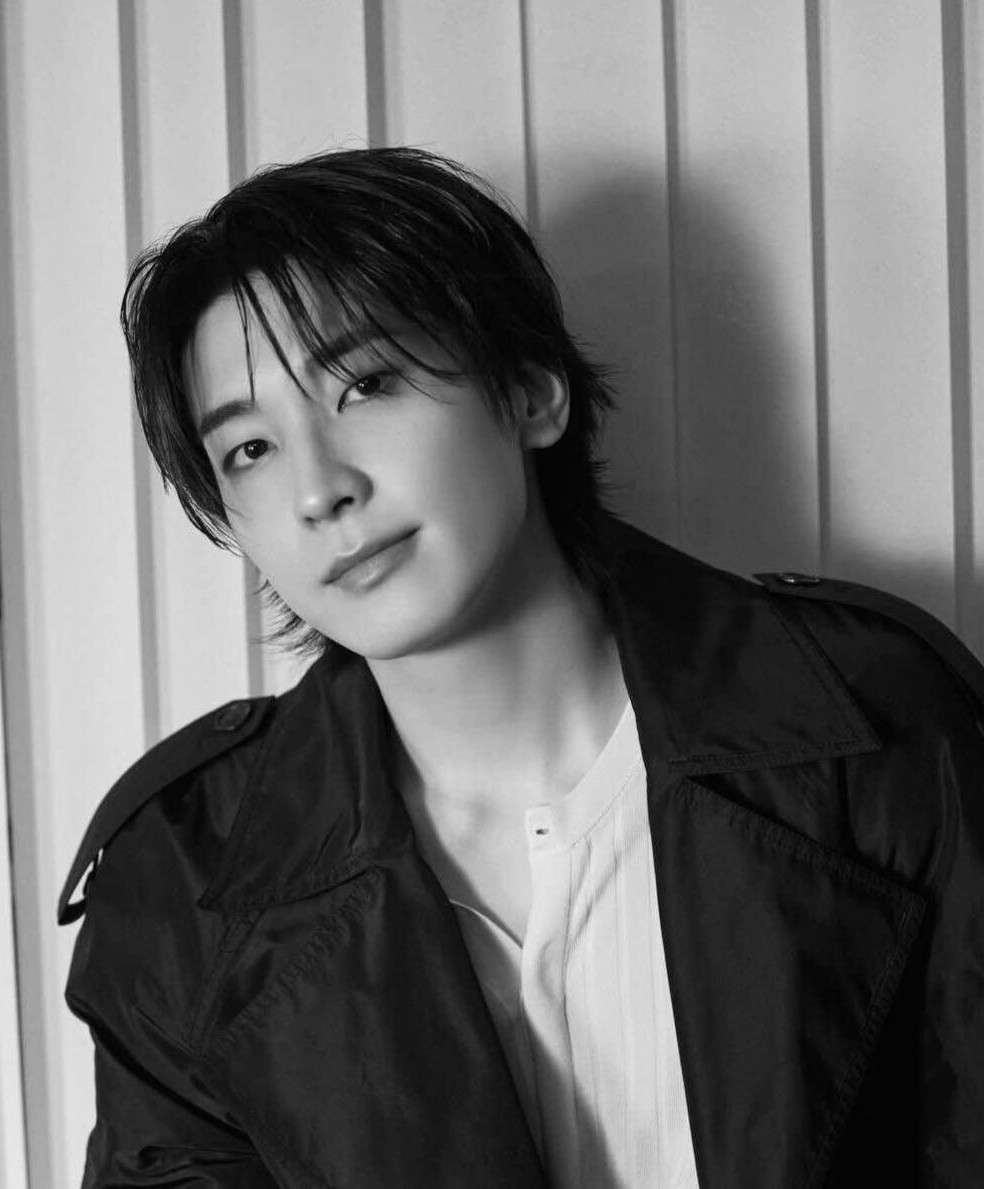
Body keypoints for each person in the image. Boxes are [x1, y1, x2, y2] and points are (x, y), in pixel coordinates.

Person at [58, 147, 984, 1187]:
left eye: (366, 383)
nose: (319, 489)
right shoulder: (183, 881)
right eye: (250, 449)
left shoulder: (873, 719)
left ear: (531, 392)